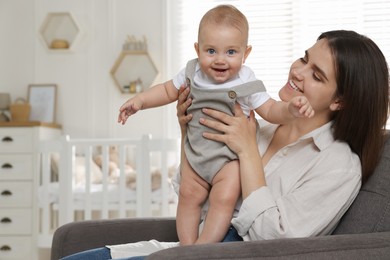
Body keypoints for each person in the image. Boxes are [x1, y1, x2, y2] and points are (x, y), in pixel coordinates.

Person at [61, 30, 389, 260]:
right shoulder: (257, 123)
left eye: (316, 75)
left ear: (340, 101)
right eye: (304, 59)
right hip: (189, 246)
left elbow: (276, 243)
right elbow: (191, 191)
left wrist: (247, 152)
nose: (298, 72)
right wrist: (188, 131)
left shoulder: (338, 163)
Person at [118, 4, 313, 246]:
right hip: (196, 151)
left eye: (231, 52)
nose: (220, 60)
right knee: (188, 195)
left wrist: (291, 109)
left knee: (225, 198)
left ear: (246, 53)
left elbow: (270, 109)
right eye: (211, 51)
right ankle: (187, 248)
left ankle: (203, 249)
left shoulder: (246, 80)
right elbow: (167, 90)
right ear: (197, 50)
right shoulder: (192, 72)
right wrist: (140, 102)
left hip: (228, 159)